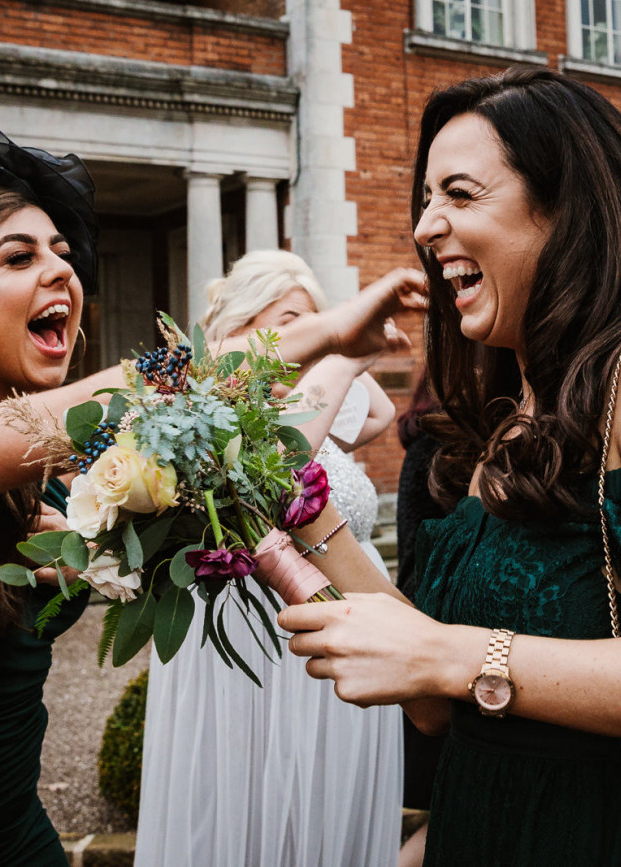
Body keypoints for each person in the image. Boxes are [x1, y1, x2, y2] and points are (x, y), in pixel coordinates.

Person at [273, 67, 621, 865]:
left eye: (459, 195)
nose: (427, 227)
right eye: (426, 200)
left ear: (566, 209)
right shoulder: (509, 424)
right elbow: (436, 702)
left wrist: (458, 656)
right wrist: (307, 517)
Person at [0, 133, 424, 866]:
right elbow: (147, 396)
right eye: (20, 257)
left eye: (61, 253)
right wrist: (330, 332)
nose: (61, 271)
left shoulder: (53, 469)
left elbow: (258, 454)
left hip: (13, 827)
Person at [136, 249, 403, 867]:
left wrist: (333, 343)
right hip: (263, 640)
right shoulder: (206, 412)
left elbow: (383, 413)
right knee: (258, 814)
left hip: (347, 631)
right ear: (237, 332)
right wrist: (330, 351)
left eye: (313, 322)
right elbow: (272, 473)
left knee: (332, 813)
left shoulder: (316, 403)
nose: (308, 339)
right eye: (288, 322)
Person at [393, 371, 447, 867]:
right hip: (436, 640)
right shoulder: (436, 445)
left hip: (431, 638)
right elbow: (418, 560)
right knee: (450, 825)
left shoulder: (426, 442)